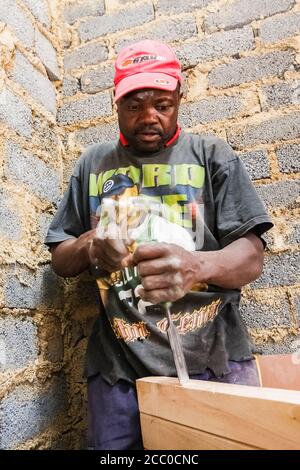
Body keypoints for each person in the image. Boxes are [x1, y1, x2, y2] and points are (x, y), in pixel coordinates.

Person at [45, 40, 273, 450]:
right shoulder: (92, 164)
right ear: (116, 104)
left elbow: (251, 255)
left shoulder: (211, 155)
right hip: (118, 366)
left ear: (179, 98)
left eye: (162, 104)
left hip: (213, 356)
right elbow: (61, 260)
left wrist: (196, 267)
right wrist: (92, 244)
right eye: (135, 105)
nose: (149, 116)